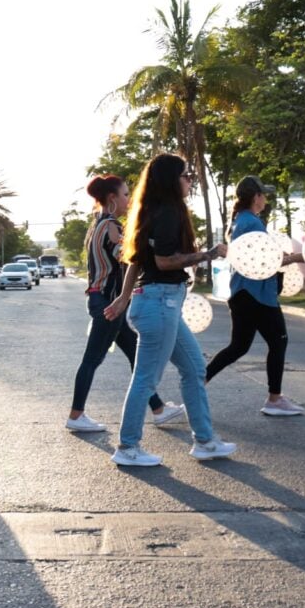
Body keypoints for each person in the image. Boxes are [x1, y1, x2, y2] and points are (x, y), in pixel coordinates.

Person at [104, 154, 235, 467]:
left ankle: (204, 441)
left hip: (158, 303)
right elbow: (163, 261)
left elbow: (136, 260)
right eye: (185, 175)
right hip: (161, 303)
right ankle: (128, 447)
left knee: (194, 369)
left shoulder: (149, 211)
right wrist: (208, 254)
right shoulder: (168, 213)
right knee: (146, 379)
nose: (190, 180)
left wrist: (123, 298)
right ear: (170, 180)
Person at [67, 174, 186, 433]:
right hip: (108, 303)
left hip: (105, 300)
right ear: (111, 198)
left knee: (135, 354)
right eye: (124, 195)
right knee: (92, 359)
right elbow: (131, 259)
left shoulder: (98, 224)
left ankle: (158, 409)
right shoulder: (112, 227)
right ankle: (76, 415)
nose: (128, 200)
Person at [204, 176, 305, 416]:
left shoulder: (241, 221)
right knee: (278, 341)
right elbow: (267, 260)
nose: (266, 199)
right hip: (257, 294)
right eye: (263, 195)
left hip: (244, 293)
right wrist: (298, 257)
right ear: (255, 197)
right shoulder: (252, 223)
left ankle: (199, 383)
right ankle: (274, 399)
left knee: (239, 346)